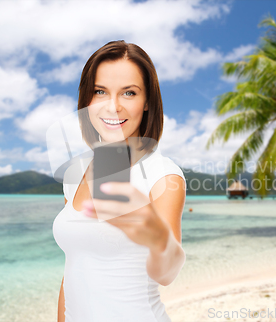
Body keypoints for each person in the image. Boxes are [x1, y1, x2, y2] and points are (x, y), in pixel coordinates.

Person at [53, 40, 187, 322]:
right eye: (100, 91)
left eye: (129, 92)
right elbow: (72, 272)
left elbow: (167, 275)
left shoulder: (163, 175)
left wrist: (157, 236)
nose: (113, 106)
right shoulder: (73, 174)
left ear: (147, 101)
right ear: (86, 99)